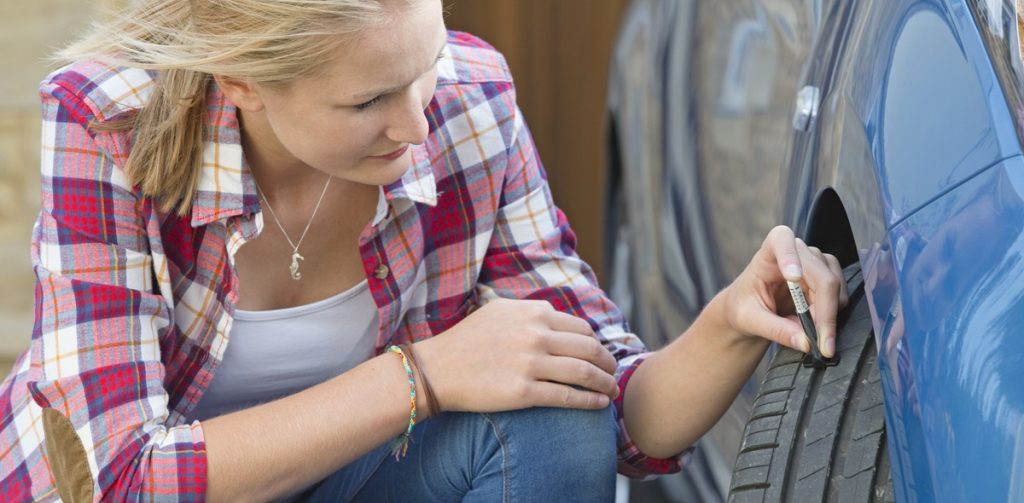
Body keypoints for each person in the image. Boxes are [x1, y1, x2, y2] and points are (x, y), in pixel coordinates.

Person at [0, 0, 846, 501]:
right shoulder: (112, 125)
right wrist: (425, 376)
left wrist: (733, 322)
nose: (417, 124)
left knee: (557, 417)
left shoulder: (469, 105)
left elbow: (615, 403)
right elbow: (115, 479)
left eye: (428, 65)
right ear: (243, 83)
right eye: (370, 100)